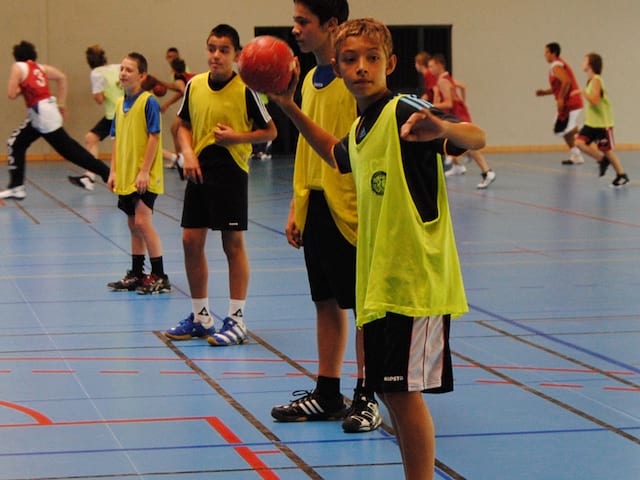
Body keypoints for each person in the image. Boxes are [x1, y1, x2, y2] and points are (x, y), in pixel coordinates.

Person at [270, 18, 484, 480]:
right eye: (350, 59)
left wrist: (441, 127)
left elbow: (475, 137)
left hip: (415, 283)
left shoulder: (405, 109)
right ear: (338, 66)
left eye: (372, 58)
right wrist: (289, 107)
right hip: (380, 284)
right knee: (391, 395)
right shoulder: (364, 125)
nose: (361, 67)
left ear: (390, 62)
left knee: (404, 398)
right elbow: (335, 154)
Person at [270, 0, 382, 434]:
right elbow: (306, 145)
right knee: (326, 302)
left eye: (304, 21)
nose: (295, 29)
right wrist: (298, 203)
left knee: (364, 309)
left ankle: (367, 396)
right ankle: (329, 392)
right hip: (317, 202)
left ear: (332, 25)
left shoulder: (355, 82)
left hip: (354, 209)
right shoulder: (311, 77)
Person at [164, 24, 277, 346]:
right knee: (190, 241)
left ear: (237, 55)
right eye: (212, 48)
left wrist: (236, 138)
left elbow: (270, 132)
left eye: (223, 50)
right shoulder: (195, 85)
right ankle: (201, 317)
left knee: (232, 245)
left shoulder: (247, 88)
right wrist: (187, 153)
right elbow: (181, 125)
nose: (216, 55)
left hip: (230, 170)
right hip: (198, 169)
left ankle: (237, 319)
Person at [1, 41, 110, 200]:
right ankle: (16, 186)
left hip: (42, 115)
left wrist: (22, 87)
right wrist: (62, 103)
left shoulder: (18, 67)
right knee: (16, 143)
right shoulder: (40, 68)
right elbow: (61, 77)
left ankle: (107, 173)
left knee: (72, 152)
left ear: (17, 57)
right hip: (46, 111)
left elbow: (11, 94)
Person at [106, 52, 171, 295]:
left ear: (142, 76)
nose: (123, 73)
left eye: (129, 69)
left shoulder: (148, 101)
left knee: (143, 222)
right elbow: (116, 140)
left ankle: (160, 275)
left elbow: (154, 136)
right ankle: (136, 273)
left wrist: (144, 171)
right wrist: (113, 170)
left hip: (145, 176)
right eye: (121, 68)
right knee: (133, 224)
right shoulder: (118, 104)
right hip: (125, 175)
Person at [428, 54, 496, 189]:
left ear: (440, 65)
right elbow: (463, 87)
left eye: (431, 66)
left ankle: (486, 171)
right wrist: (462, 101)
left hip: (458, 114)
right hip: (457, 113)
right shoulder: (446, 78)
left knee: (468, 143)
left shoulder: (443, 81)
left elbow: (448, 103)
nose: (430, 69)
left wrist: (431, 107)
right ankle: (457, 165)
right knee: (455, 141)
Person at [68, 45, 123, 191]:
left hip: (117, 115)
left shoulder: (96, 74)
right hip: (115, 114)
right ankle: (89, 177)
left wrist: (101, 92)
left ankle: (176, 159)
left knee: (140, 145)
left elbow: (99, 99)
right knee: (91, 138)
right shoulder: (118, 67)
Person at [575, 53, 629, 188]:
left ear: (590, 64)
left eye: (584, 60)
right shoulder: (591, 80)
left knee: (607, 150)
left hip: (603, 124)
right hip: (592, 123)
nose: (582, 63)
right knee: (579, 143)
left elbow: (594, 100)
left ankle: (621, 175)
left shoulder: (597, 80)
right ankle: (601, 160)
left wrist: (582, 92)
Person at [535, 42, 585, 165]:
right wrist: (544, 92)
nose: (544, 55)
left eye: (547, 52)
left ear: (553, 53)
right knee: (560, 129)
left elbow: (566, 82)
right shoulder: (556, 65)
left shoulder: (556, 66)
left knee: (564, 130)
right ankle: (576, 155)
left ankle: (588, 133)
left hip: (572, 103)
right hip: (570, 102)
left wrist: (561, 98)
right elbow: (558, 87)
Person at [160, 58, 195, 170]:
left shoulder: (178, 78)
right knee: (175, 129)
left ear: (173, 70)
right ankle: (180, 158)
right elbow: (177, 88)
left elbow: (184, 92)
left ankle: (181, 159)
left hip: (192, 105)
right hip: (193, 104)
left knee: (176, 130)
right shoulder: (186, 76)